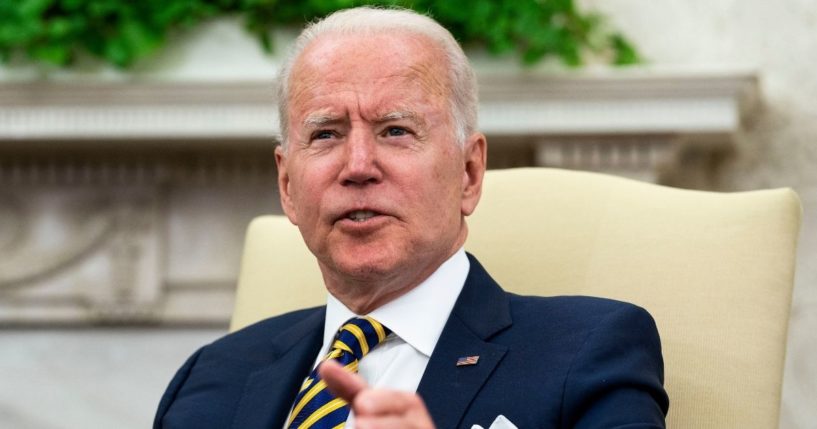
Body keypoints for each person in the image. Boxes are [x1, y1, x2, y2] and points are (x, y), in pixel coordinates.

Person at [154, 6, 669, 429]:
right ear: (287, 186)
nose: (358, 167)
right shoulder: (210, 378)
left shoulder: (589, 349)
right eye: (326, 134)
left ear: (468, 173)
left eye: (396, 130)